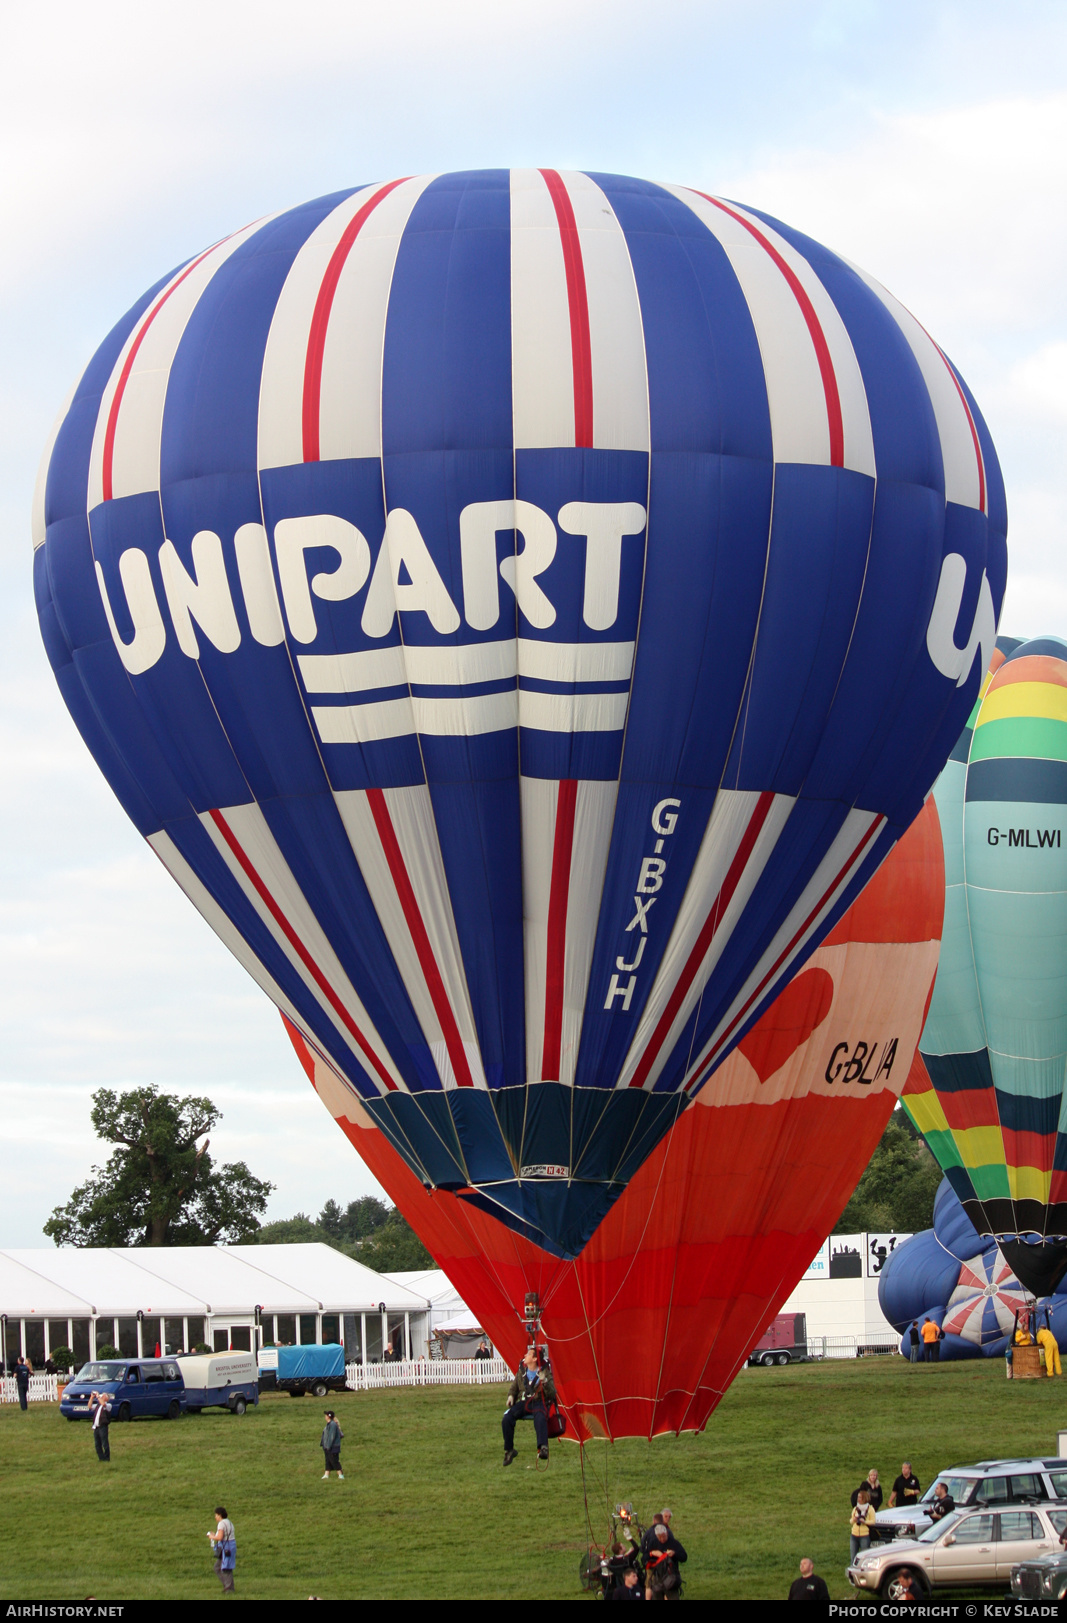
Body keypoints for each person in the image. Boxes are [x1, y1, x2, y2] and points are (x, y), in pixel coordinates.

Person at [502, 1347, 557, 1465]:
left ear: (535, 1359)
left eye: (528, 1354)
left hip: (538, 1402)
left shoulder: (544, 1372)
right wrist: (511, 1396)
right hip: (524, 1402)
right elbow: (514, 1387)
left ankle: (542, 1447)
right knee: (507, 1418)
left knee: (540, 1418)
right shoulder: (522, 1372)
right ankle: (509, 1450)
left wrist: (545, 1381)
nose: (525, 1356)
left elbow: (552, 1393)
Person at [644, 1520, 686, 1600]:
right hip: (657, 1577)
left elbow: (684, 1557)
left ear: (667, 1533)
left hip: (670, 1576)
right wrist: (651, 1553)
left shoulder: (674, 1543)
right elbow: (644, 1558)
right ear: (656, 1536)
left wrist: (674, 1554)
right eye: (660, 1537)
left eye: (664, 1536)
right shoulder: (653, 1543)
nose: (662, 1539)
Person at [207, 1507, 236, 1594]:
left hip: (226, 1548)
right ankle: (228, 1586)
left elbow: (220, 1537)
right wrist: (214, 1535)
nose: (215, 1517)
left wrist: (212, 1537)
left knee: (225, 1568)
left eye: (216, 1515)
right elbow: (223, 1535)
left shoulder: (221, 1524)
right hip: (231, 1546)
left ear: (220, 1515)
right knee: (218, 1567)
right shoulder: (229, 1522)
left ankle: (229, 1588)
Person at [849, 1487, 876, 1562]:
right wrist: (854, 1519)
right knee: (853, 1556)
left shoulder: (870, 1509)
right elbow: (851, 1521)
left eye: (860, 1497)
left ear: (864, 1498)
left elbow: (873, 1521)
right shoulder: (855, 1508)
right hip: (854, 1534)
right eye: (858, 1497)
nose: (858, 1499)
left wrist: (865, 1522)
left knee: (864, 1556)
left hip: (864, 1535)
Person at [88, 1390, 113, 1462]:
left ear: (105, 1398)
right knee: (97, 1444)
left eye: (103, 1396)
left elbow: (103, 1404)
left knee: (104, 1443)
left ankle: (107, 1457)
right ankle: (101, 1458)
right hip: (96, 1427)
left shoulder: (108, 1405)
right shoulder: (97, 1406)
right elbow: (89, 1406)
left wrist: (98, 1396)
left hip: (103, 1427)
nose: (101, 1397)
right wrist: (91, 1398)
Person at [320, 1410, 344, 1480]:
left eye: (326, 1415)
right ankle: (326, 1474)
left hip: (332, 1447)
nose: (325, 1416)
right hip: (327, 1446)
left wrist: (328, 1446)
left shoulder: (332, 1425)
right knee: (328, 1461)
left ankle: (340, 1474)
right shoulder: (329, 1424)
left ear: (328, 1416)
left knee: (334, 1460)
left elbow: (331, 1436)